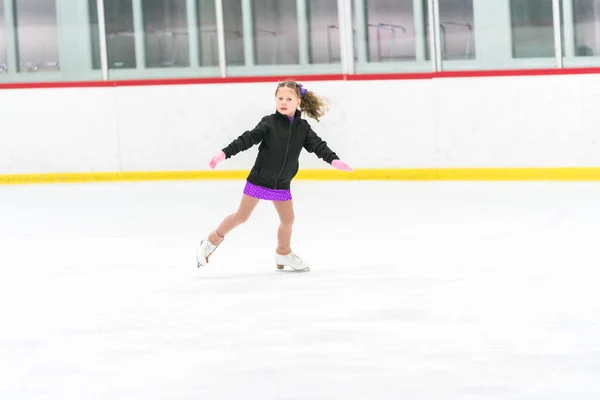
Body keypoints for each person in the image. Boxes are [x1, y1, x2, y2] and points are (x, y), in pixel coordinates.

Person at [196, 80, 353, 271]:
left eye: (288, 98)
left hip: (282, 183)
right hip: (260, 179)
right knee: (241, 217)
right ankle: (211, 240)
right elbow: (248, 138)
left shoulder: (303, 128)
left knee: (288, 220)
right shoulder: (268, 123)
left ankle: (283, 252)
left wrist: (334, 160)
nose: (283, 102)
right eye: (280, 98)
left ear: (298, 102)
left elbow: (318, 146)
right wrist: (224, 153)